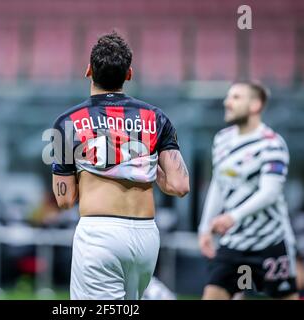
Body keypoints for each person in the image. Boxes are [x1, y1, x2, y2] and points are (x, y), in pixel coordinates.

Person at [50, 31, 190, 300]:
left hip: (99, 234)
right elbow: (180, 185)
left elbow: (65, 200)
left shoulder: (67, 122)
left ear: (89, 70)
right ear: (129, 74)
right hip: (146, 237)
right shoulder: (156, 118)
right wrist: (141, 163)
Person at [198, 82, 298, 300]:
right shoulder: (222, 139)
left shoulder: (272, 144)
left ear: (255, 105)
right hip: (233, 243)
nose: (227, 102)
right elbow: (218, 183)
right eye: (228, 96)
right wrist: (205, 227)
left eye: (236, 97)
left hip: (269, 242)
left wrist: (233, 216)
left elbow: (270, 192)